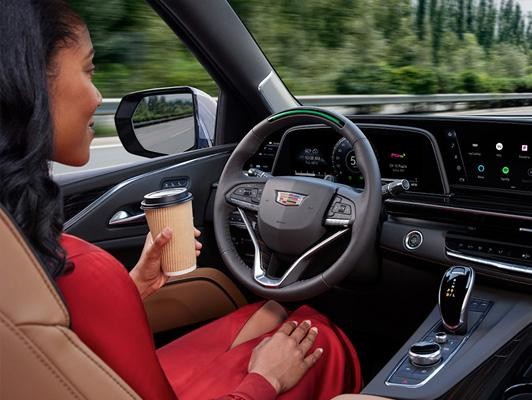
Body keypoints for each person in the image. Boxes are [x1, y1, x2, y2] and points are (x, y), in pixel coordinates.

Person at [0, 1, 362, 399]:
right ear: (30, 83)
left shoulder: (19, 247)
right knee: (321, 338)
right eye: (88, 70)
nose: (97, 95)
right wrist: (265, 380)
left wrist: (128, 288)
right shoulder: (83, 270)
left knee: (274, 311)